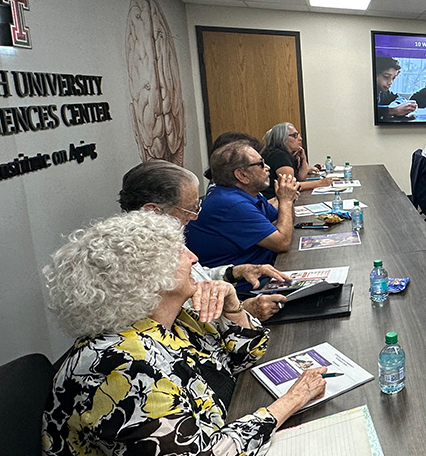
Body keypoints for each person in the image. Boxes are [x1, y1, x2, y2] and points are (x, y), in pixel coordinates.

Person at [41, 211, 326, 456]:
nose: (193, 257)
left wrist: (233, 306)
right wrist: (291, 401)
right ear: (145, 276)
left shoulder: (172, 321)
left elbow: (243, 357)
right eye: (179, 251)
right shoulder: (119, 365)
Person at [119, 160, 289, 321]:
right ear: (152, 211)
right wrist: (241, 309)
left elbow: (195, 279)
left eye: (196, 207)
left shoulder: (162, 235)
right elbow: (181, 323)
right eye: (189, 209)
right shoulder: (136, 259)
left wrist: (234, 272)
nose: (194, 217)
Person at [186, 141, 298, 269]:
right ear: (242, 175)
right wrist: (286, 200)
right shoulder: (231, 204)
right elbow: (282, 242)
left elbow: (285, 222)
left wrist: (287, 199)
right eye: (260, 164)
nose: (267, 167)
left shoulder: (250, 194)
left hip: (265, 266)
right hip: (244, 283)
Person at [259, 122, 331, 199]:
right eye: (295, 135)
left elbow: (301, 178)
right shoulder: (278, 155)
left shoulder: (287, 153)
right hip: (274, 201)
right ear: (282, 138)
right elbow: (291, 186)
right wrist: (320, 183)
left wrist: (303, 158)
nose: (300, 139)